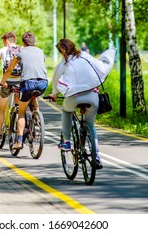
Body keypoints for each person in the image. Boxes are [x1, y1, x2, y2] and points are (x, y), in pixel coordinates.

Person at [48, 38, 116, 169]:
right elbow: (99, 67)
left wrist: (55, 94)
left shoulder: (64, 63)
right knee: (90, 125)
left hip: (74, 97)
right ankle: (96, 156)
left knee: (66, 110)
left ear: (62, 52)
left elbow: (56, 79)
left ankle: (67, 141)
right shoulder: (85, 56)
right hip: (92, 96)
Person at [0, 31, 48, 149]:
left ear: (23, 43)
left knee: (21, 111)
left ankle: (19, 141)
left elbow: (10, 70)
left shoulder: (19, 52)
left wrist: (3, 82)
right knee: (34, 96)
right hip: (43, 83)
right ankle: (36, 115)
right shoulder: (40, 52)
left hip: (28, 83)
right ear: (34, 42)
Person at [0, 31, 23, 143]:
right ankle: (19, 128)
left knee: (1, 108)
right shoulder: (22, 49)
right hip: (20, 82)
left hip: (7, 82)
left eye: (3, 41)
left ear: (6, 41)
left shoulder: (2, 50)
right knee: (19, 107)